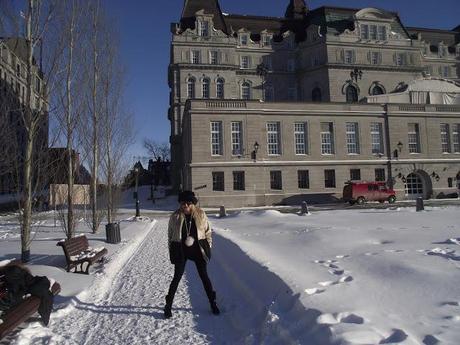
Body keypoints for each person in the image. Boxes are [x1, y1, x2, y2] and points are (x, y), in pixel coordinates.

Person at [164, 190, 220, 318]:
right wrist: (172, 251)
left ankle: (213, 302)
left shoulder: (201, 214)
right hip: (181, 250)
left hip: (197, 250)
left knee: (204, 276)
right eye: (183, 203)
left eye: (188, 203)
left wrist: (208, 246)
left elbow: (208, 232)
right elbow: (170, 236)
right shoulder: (175, 216)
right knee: (176, 278)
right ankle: (168, 305)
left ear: (193, 204)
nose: (186, 206)